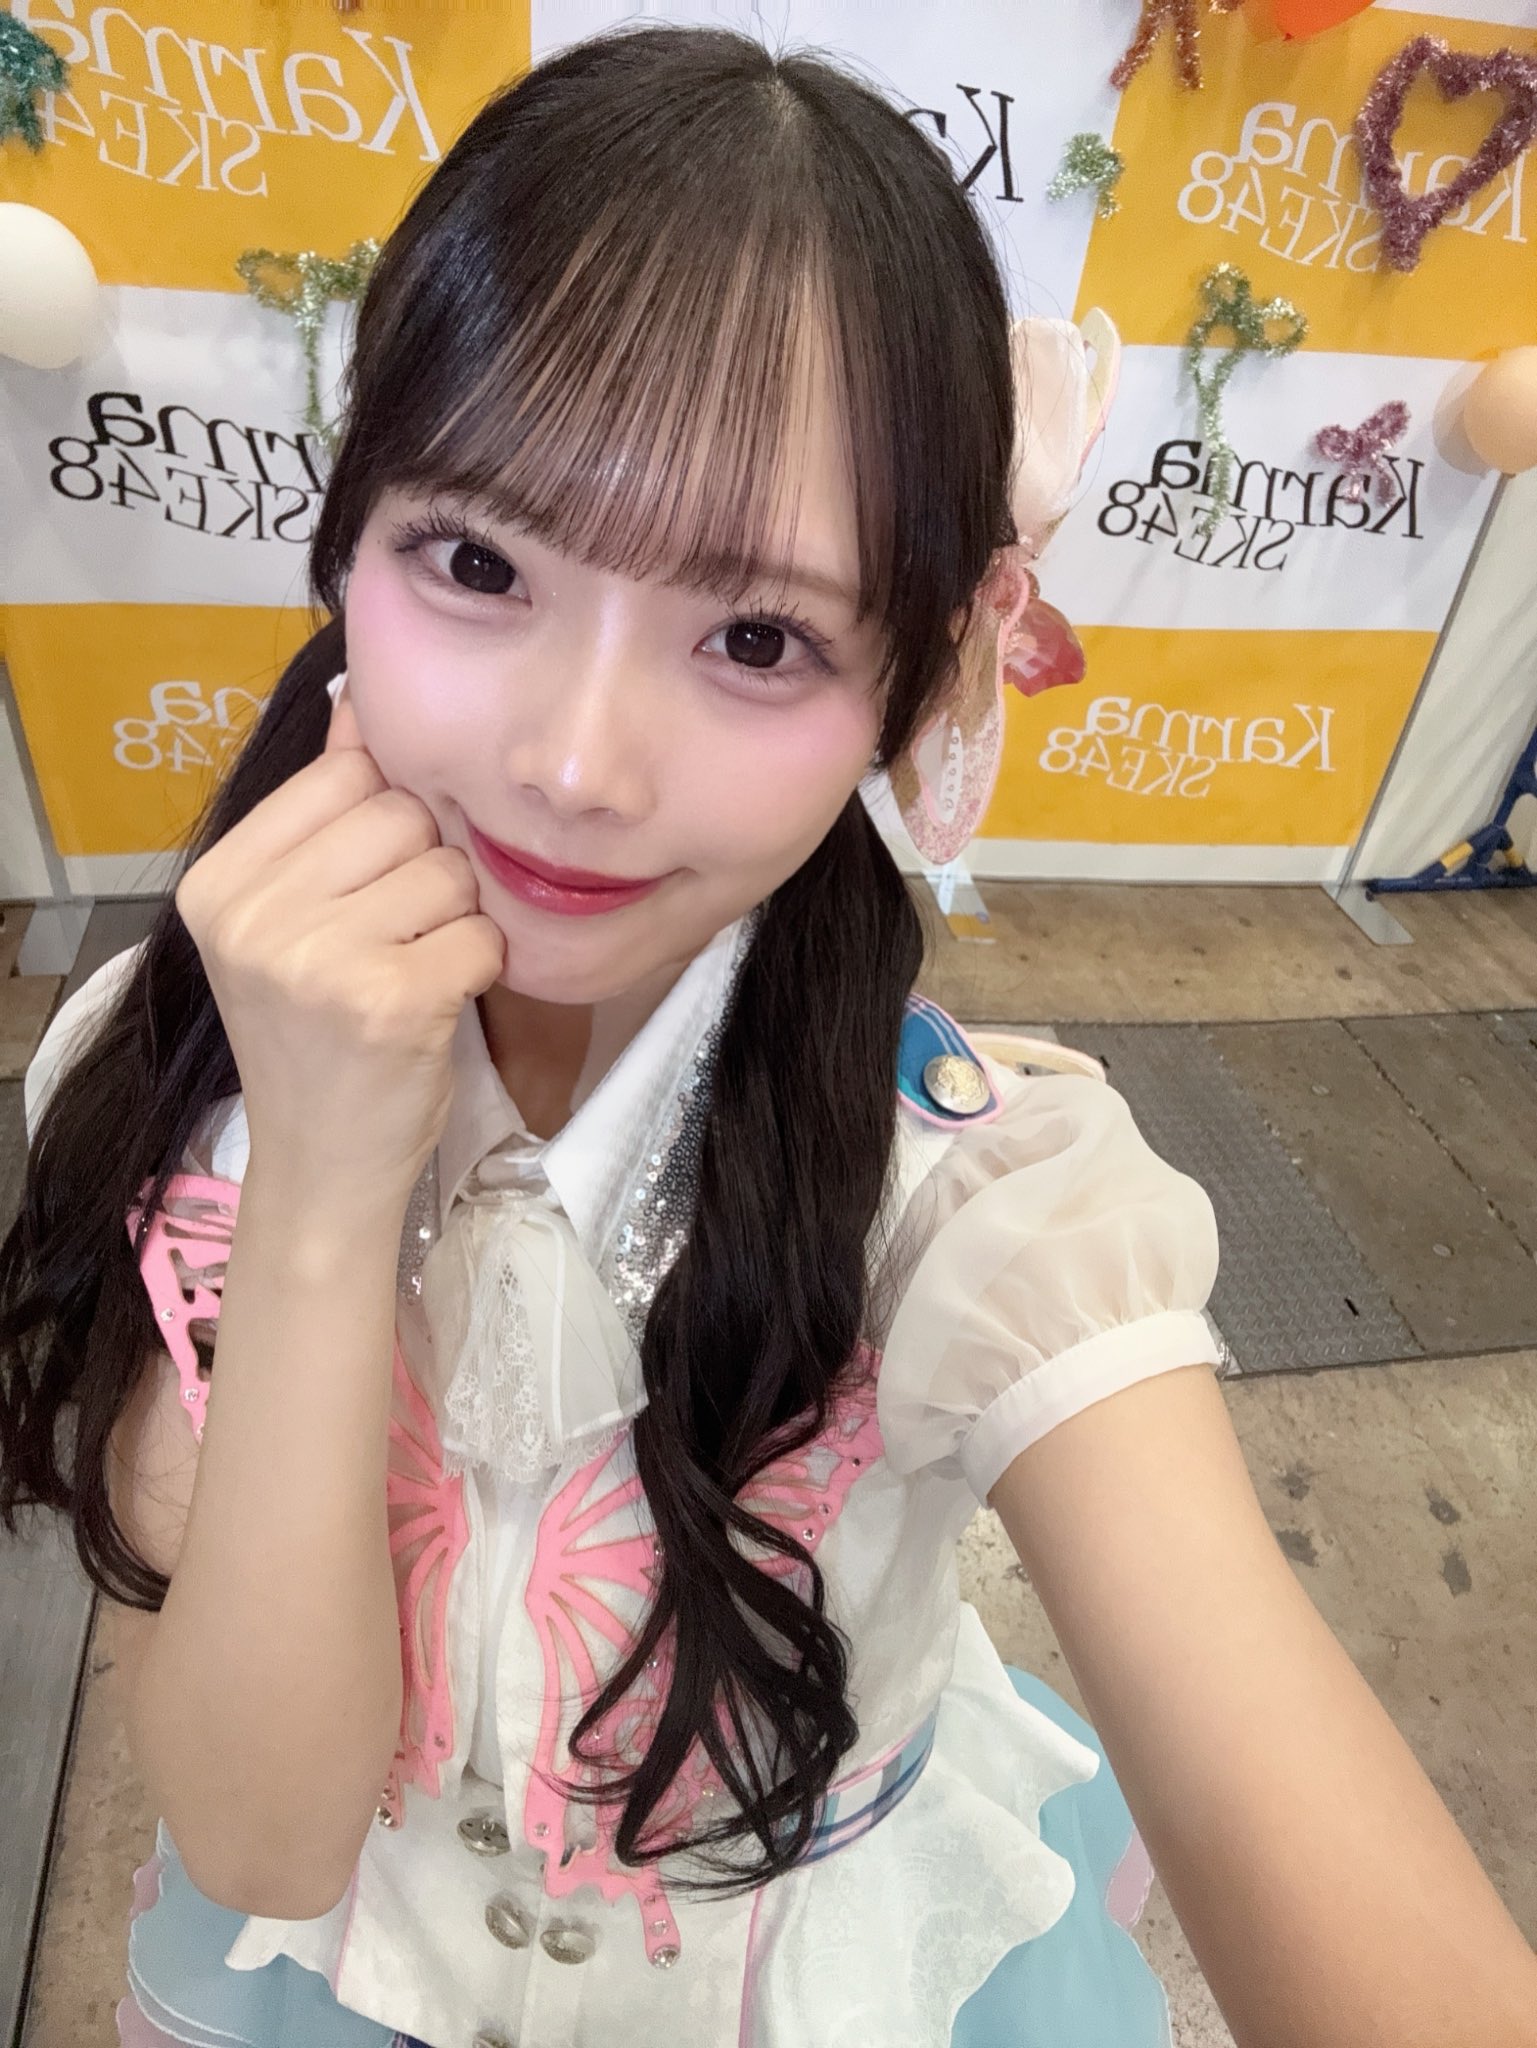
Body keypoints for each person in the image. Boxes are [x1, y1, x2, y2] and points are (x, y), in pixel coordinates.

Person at [3, 24, 1534, 2048]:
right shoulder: (163, 1052)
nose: (573, 762)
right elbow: (262, 1841)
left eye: (755, 637)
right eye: (476, 561)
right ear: (344, 546)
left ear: (920, 678)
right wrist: (320, 1171)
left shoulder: (983, 1199)